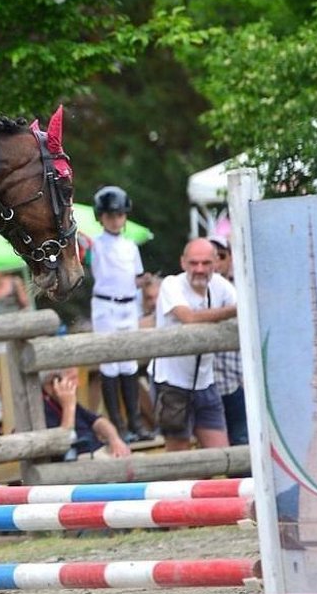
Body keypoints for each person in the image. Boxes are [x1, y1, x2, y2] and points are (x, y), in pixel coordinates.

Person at [149, 238, 238, 452]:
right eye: (194, 263)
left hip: (206, 383)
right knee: (179, 458)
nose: (200, 269)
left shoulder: (221, 286)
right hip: (172, 383)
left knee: (222, 455)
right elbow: (188, 317)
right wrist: (234, 310)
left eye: (206, 263)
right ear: (183, 263)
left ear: (216, 264)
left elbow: (243, 310)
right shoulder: (171, 284)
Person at [85, 185, 150, 442]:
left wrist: (144, 283)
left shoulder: (131, 246)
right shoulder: (95, 244)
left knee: (129, 362)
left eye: (120, 215)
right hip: (106, 306)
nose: (115, 220)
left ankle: (136, 421)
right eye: (110, 216)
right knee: (110, 363)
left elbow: (133, 278)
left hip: (127, 305)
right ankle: (118, 423)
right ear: (101, 217)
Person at [208, 235, 248, 447]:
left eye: (220, 256)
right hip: (207, 384)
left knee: (241, 439)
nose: (215, 263)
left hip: (238, 379)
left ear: (230, 258)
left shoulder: (244, 285)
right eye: (208, 258)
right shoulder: (192, 287)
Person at [40, 368, 132, 460]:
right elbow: (63, 443)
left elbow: (98, 421)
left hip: (99, 450)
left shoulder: (64, 400)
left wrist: (114, 440)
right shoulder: (42, 409)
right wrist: (68, 407)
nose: (78, 383)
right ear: (54, 384)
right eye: (72, 378)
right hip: (80, 457)